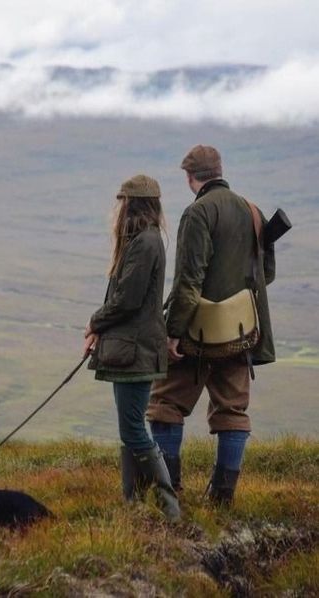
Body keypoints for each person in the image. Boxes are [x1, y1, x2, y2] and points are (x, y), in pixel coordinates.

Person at [147, 145, 276, 506]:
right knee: (233, 411)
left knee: (166, 403)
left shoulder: (197, 213)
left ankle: (168, 495)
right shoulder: (253, 212)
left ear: (190, 177)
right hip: (241, 332)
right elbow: (267, 273)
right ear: (219, 170)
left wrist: (173, 333)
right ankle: (222, 498)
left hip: (197, 335)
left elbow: (189, 282)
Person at [84, 174, 180, 521]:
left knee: (134, 429)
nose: (119, 209)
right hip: (130, 349)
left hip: (135, 351)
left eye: (123, 202)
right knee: (131, 428)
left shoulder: (144, 244)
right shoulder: (145, 240)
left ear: (133, 205)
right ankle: (134, 505)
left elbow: (126, 300)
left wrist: (95, 322)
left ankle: (169, 509)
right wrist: (100, 330)